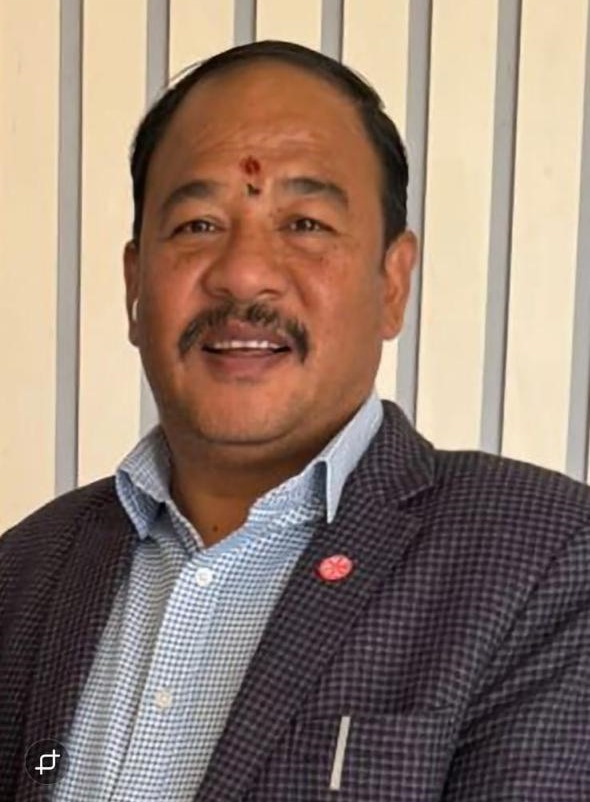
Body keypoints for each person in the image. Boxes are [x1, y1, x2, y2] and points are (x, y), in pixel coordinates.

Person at [1, 40, 590, 802]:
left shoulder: (546, 560)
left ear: (392, 282)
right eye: (197, 225)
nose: (244, 273)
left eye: (306, 223)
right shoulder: (27, 570)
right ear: (134, 284)